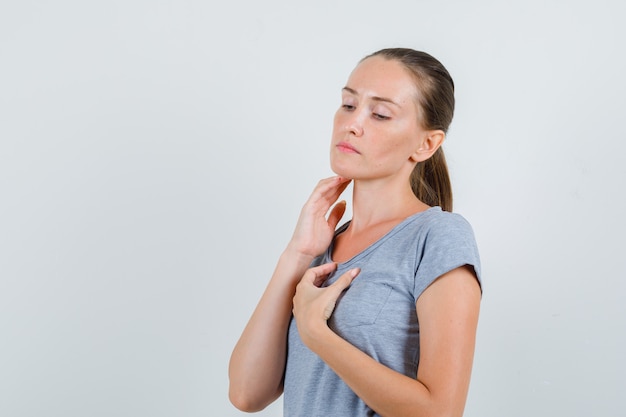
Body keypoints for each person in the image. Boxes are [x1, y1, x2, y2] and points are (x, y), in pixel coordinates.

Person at [228, 48, 482, 417]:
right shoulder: (321, 247)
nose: (353, 123)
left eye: (380, 114)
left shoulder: (438, 236)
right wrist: (297, 254)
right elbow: (246, 394)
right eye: (348, 104)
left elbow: (441, 411)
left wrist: (318, 335)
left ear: (426, 144)